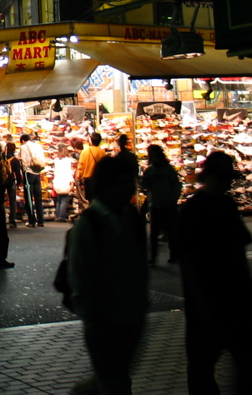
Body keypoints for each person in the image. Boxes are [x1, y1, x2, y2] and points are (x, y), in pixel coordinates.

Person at [176, 151, 252, 393]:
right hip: (218, 298)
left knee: (206, 366)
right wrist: (201, 298)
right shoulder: (201, 208)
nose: (228, 183)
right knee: (209, 365)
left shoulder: (206, 206)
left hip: (225, 298)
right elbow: (188, 259)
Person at [69, 155, 148, 394]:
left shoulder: (131, 217)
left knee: (115, 377)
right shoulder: (90, 224)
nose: (129, 189)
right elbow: (80, 275)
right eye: (124, 183)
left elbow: (139, 264)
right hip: (104, 319)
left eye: (131, 183)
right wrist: (93, 315)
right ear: (108, 185)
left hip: (130, 315)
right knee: (115, 380)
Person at [140, 144, 182, 265]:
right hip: (157, 204)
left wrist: (173, 200)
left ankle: (172, 255)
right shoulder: (151, 170)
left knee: (170, 231)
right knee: (155, 233)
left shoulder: (167, 170)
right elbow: (145, 186)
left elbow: (175, 187)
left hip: (167, 204)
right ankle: (154, 257)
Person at [18, 133, 47, 227]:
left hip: (28, 173)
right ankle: (41, 220)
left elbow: (23, 161)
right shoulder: (38, 146)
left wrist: (24, 170)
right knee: (38, 197)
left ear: (22, 141)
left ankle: (32, 220)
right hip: (37, 172)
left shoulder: (24, 147)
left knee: (29, 198)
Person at [76, 132, 106, 210]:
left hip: (88, 180)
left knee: (90, 200)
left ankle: (92, 217)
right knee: (99, 200)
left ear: (91, 140)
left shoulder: (85, 152)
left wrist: (79, 178)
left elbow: (80, 167)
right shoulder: (102, 153)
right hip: (99, 180)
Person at [51, 144, 75, 222]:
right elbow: (68, 172)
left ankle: (57, 215)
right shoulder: (67, 160)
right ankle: (62, 216)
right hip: (64, 181)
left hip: (57, 181)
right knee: (64, 199)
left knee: (58, 199)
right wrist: (71, 182)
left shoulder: (56, 160)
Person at [4, 142, 23, 228]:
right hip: (11, 181)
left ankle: (1, 219)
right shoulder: (15, 160)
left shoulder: (2, 158)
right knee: (12, 201)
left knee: (1, 200)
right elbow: (18, 174)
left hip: (2, 182)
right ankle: (12, 220)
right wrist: (18, 183)